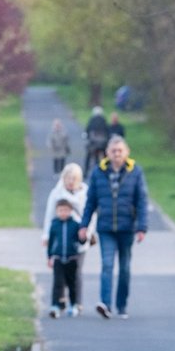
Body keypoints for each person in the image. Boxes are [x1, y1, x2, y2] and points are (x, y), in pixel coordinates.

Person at [78, 136, 148, 319]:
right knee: (107, 265)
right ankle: (105, 304)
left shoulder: (135, 172)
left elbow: (141, 200)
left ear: (127, 152)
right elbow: (90, 201)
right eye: (113, 150)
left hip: (127, 227)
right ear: (107, 152)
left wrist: (142, 227)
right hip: (106, 227)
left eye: (120, 150)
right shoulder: (98, 172)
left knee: (124, 268)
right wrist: (84, 225)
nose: (117, 154)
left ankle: (122, 305)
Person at [42, 163, 92, 312]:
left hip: (78, 238)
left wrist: (88, 233)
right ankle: (60, 300)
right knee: (59, 272)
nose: (71, 181)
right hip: (60, 240)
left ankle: (76, 302)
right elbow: (49, 214)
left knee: (75, 272)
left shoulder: (85, 193)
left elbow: (91, 214)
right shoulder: (56, 193)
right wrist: (46, 235)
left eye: (74, 178)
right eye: (68, 178)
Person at [47, 198, 86, 318]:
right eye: (60, 210)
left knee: (72, 283)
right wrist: (49, 256)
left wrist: (84, 237)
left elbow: (81, 241)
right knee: (58, 283)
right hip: (58, 258)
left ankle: (74, 304)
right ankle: (55, 305)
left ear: (70, 211)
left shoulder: (75, 225)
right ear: (57, 211)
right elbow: (51, 241)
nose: (63, 213)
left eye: (65, 210)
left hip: (72, 258)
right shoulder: (54, 224)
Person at [83, 106, 109, 174]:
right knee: (105, 156)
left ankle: (86, 171)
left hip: (93, 143)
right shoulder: (103, 120)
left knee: (88, 156)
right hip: (102, 144)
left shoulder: (92, 120)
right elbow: (107, 131)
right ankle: (107, 170)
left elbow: (88, 130)